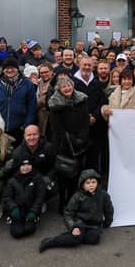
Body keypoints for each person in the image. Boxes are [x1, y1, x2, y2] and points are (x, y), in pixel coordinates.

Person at [39, 169, 113, 252]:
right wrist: (73, 227)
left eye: (93, 182)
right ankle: (50, 241)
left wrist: (107, 222)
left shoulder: (103, 195)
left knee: (94, 239)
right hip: (79, 222)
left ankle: (71, 237)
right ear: (82, 184)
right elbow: (68, 213)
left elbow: (109, 209)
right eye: (87, 183)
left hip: (94, 224)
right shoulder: (77, 196)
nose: (91, 185)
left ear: (97, 183)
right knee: (76, 238)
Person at [48, 77, 90, 213]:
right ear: (59, 89)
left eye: (68, 86)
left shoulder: (81, 100)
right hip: (63, 145)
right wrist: (71, 139)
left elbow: (85, 120)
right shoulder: (55, 104)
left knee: (76, 174)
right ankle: (62, 202)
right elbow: (56, 127)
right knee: (63, 175)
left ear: (72, 86)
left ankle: (72, 201)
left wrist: (82, 137)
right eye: (63, 87)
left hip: (80, 144)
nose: (67, 89)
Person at [0, 57, 37, 145]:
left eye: (12, 68)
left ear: (17, 69)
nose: (9, 70)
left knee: (18, 155)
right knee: (2, 156)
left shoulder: (27, 84)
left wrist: (26, 125)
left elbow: (32, 107)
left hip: (20, 129)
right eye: (6, 68)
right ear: (3, 70)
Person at [5, 124, 56, 202]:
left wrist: (49, 177)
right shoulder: (18, 152)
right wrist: (18, 171)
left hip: (42, 177)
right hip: (26, 179)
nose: (32, 137)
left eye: (34, 134)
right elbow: (13, 173)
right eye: (29, 135)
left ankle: (42, 201)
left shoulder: (48, 147)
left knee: (51, 187)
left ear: (39, 135)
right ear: (24, 136)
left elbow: (54, 166)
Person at [2, 158, 46, 238]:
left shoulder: (37, 178)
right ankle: (12, 219)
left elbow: (40, 197)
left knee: (29, 229)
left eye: (28, 165)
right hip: (18, 209)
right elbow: (7, 197)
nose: (26, 167)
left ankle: (35, 219)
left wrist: (34, 211)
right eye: (23, 165)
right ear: (19, 167)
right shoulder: (12, 180)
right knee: (17, 233)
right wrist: (13, 208)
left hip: (31, 208)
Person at [36, 63, 54, 137]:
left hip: (51, 116)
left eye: (46, 72)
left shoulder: (55, 82)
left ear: (51, 71)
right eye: (42, 73)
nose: (44, 74)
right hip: (40, 115)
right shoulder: (38, 82)